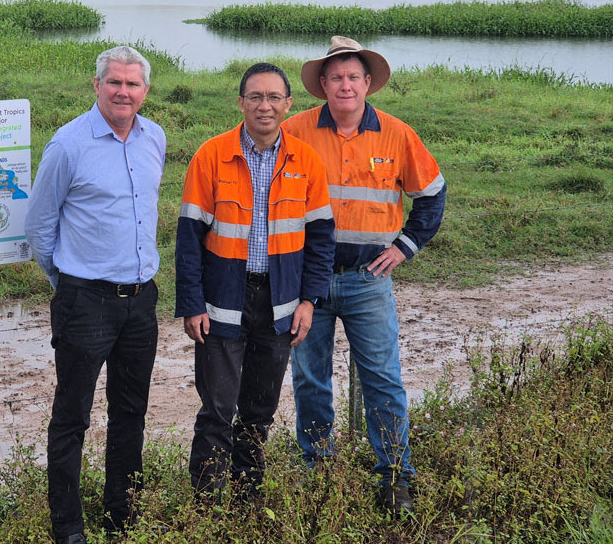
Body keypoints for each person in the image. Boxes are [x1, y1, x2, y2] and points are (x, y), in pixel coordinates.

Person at [282, 36, 446, 516]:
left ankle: (396, 478)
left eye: (353, 77)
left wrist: (404, 247)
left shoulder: (397, 134)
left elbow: (432, 195)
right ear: (323, 86)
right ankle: (318, 471)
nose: (345, 85)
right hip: (306, 284)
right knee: (310, 380)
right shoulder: (295, 131)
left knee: (382, 380)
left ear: (368, 83)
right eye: (336, 78)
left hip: (368, 281)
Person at [175, 62, 335, 503]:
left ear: (288, 104)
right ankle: (207, 509)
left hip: (280, 303)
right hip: (222, 302)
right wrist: (191, 304)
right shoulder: (212, 155)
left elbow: (321, 239)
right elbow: (189, 240)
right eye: (255, 97)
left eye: (273, 98)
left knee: (259, 410)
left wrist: (309, 301)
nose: (264, 106)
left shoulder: (306, 161)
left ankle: (248, 503)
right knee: (217, 410)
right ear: (240, 102)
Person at [25, 45, 166, 544]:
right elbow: (39, 228)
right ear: (97, 86)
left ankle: (122, 515)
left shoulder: (155, 138)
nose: (123, 92)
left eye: (133, 84)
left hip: (141, 301)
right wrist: (69, 285)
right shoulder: (68, 145)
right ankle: (68, 527)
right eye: (115, 83)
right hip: (85, 300)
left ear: (145, 91)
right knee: (72, 417)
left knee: (130, 412)